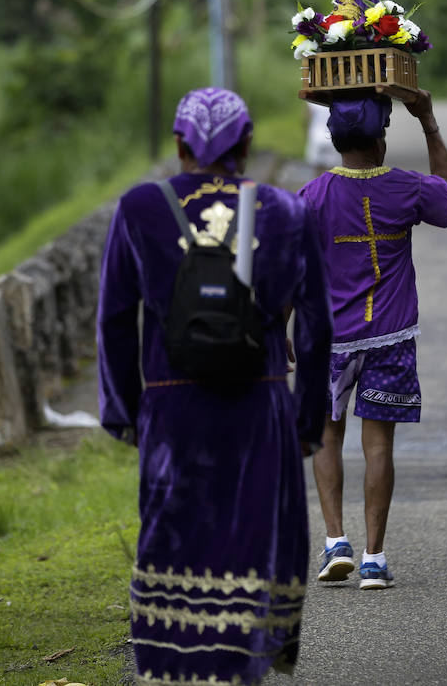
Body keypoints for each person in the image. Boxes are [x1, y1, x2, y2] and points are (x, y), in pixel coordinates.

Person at [96, 87, 333, 685]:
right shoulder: (285, 211)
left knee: (176, 540)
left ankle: (173, 667)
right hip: (261, 408)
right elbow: (315, 327)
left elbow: (116, 319)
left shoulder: (139, 209)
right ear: (247, 144)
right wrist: (306, 423)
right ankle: (242, 666)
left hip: (173, 410)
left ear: (179, 145)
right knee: (253, 543)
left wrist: (124, 411)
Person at [298, 89, 447, 589]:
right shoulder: (406, 187)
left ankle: (334, 542)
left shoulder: (312, 196)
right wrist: (429, 121)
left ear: (334, 138)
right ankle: (373, 557)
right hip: (391, 337)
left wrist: (281, 326)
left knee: (327, 434)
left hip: (327, 339)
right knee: (378, 447)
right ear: (381, 139)